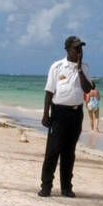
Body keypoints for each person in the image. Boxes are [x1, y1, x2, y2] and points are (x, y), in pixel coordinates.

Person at [39, 35, 94, 197]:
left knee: (69, 152)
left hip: (76, 114)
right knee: (53, 151)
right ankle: (46, 186)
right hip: (59, 113)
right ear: (68, 49)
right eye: (76, 48)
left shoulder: (85, 67)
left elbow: (87, 89)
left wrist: (78, 69)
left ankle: (66, 188)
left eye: (81, 48)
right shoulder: (57, 67)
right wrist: (45, 114)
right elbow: (49, 91)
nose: (79, 51)